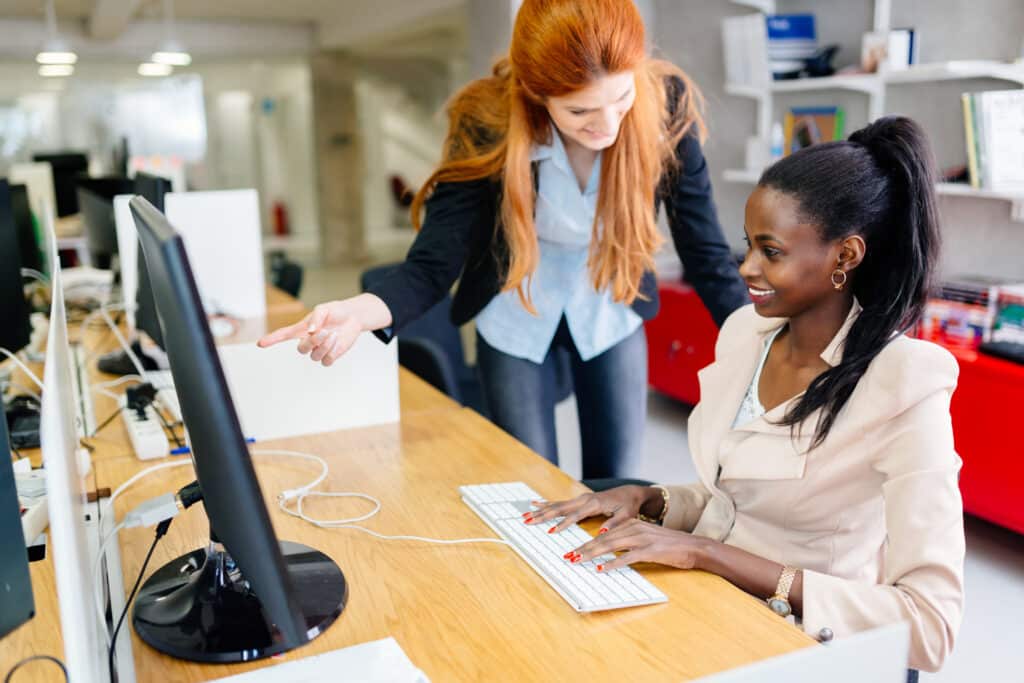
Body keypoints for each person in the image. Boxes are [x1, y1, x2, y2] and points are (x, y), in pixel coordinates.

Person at [525, 116, 965, 679]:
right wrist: (653, 500)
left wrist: (709, 555)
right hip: (705, 602)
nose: (745, 268)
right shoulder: (745, 333)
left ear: (845, 257)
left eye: (771, 251)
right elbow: (740, 501)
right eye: (747, 245)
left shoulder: (905, 381)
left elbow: (931, 627)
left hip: (796, 643)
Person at [258, 0, 748, 479]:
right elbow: (434, 262)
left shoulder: (666, 104)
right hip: (516, 308)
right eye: (580, 111)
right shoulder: (487, 119)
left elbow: (704, 251)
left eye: (622, 100)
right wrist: (360, 312)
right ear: (538, 93)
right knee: (529, 484)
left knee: (619, 483)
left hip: (609, 305)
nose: (608, 126)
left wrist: (761, 339)